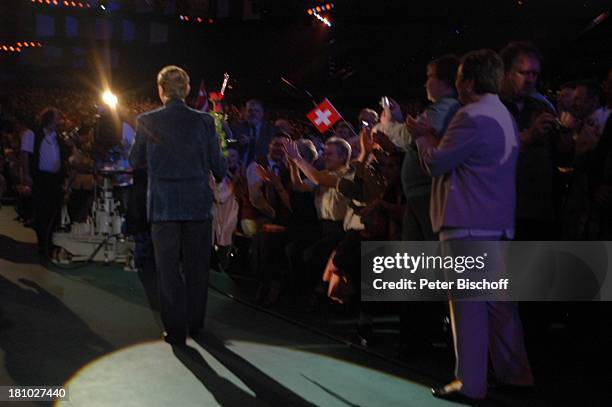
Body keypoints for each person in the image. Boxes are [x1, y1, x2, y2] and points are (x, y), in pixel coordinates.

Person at [412, 49, 533, 401]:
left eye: (461, 78)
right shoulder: (503, 114)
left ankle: (470, 382)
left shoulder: (471, 116)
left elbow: (436, 163)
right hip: (495, 224)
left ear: (467, 81)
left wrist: (421, 135)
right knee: (498, 305)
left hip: (467, 224)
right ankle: (516, 374)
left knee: (467, 307)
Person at [129, 65, 226, 345]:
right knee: (197, 268)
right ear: (186, 89)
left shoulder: (146, 120)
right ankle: (195, 325)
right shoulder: (205, 121)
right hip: (197, 206)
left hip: (164, 207)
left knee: (168, 270)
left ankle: (175, 331)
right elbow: (217, 165)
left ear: (161, 90)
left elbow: (135, 161)